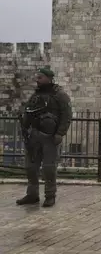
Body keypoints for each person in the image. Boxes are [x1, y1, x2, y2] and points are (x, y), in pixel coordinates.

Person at [16, 68, 72, 208]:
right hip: (34, 135)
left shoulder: (60, 95)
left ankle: (50, 195)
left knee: (49, 168)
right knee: (30, 167)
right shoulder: (35, 95)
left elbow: (66, 116)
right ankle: (32, 194)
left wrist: (60, 133)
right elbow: (28, 111)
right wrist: (25, 127)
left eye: (40, 77)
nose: (37, 80)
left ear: (49, 78)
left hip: (50, 137)